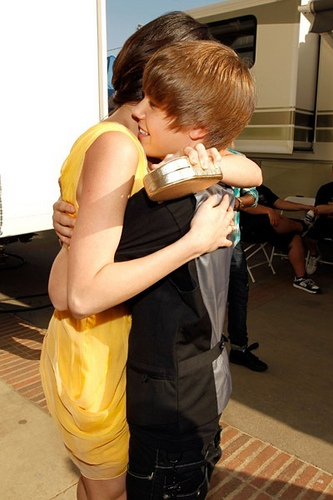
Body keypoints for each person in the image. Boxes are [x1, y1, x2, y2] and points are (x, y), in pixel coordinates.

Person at [46, 14, 259, 500]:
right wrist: (192, 239)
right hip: (100, 352)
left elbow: (250, 169)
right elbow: (71, 291)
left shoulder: (146, 146)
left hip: (118, 343)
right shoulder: (121, 148)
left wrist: (202, 160)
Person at [240, 184, 321, 294]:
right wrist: (268, 211)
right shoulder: (237, 187)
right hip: (248, 229)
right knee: (271, 218)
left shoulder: (261, 188)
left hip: (270, 229)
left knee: (294, 237)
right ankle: (303, 227)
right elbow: (243, 205)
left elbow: (280, 203)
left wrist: (303, 207)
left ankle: (301, 278)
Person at [227, 186, 268, 372]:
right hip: (199, 245)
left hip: (232, 242)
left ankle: (238, 349)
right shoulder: (195, 158)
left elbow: (253, 195)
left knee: (238, 297)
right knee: (204, 299)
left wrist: (238, 202)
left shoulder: (235, 158)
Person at [304, 179, 333, 274]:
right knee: (308, 235)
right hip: (325, 221)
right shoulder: (325, 188)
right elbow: (318, 209)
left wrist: (328, 208)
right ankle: (314, 254)